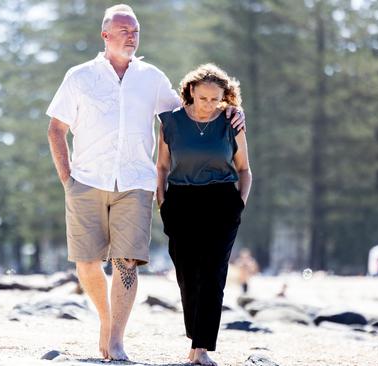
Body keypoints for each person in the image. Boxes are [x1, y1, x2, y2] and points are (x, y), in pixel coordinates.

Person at [46, 4, 245, 361]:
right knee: (87, 263)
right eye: (124, 30)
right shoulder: (79, 77)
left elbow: (187, 112)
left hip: (136, 183)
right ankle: (106, 322)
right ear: (105, 35)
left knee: (126, 261)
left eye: (136, 31)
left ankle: (117, 339)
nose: (132, 36)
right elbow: (56, 129)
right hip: (86, 180)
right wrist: (67, 179)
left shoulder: (151, 78)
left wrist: (229, 108)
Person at [156, 63, 252, 366]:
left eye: (216, 100)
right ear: (190, 93)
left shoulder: (231, 123)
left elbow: (244, 169)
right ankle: (193, 342)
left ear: (225, 98)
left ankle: (202, 349)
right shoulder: (170, 123)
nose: (209, 105)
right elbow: (161, 166)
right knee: (187, 274)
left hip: (221, 201)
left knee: (213, 274)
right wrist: (162, 202)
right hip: (180, 200)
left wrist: (238, 205)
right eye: (203, 98)